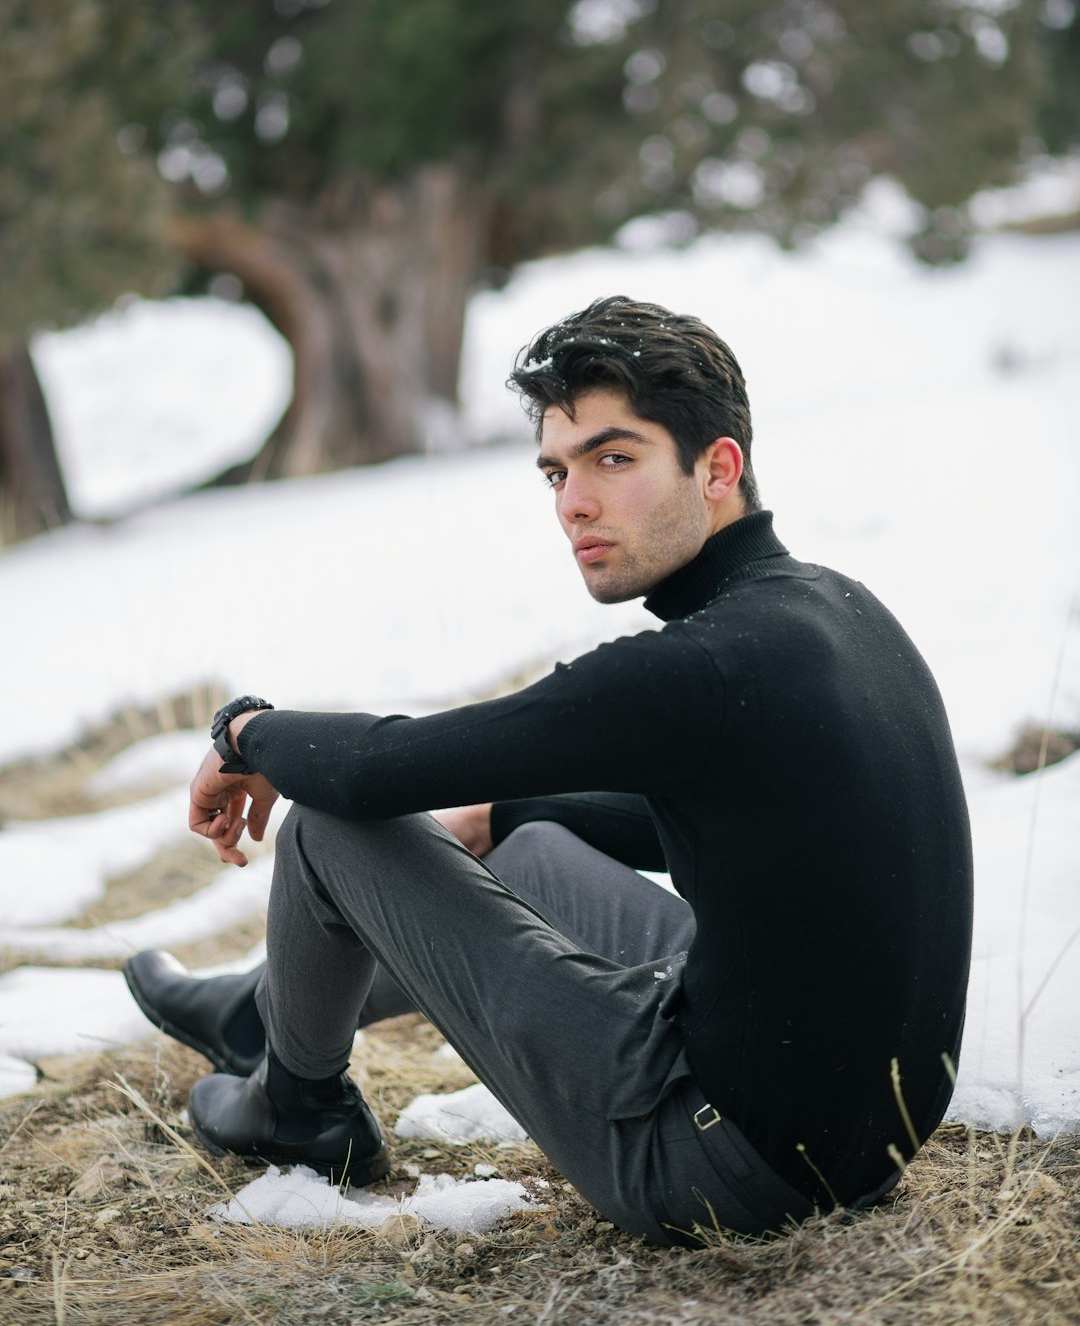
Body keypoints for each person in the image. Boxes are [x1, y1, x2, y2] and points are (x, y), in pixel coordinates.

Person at [124, 295, 973, 1246]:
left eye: (615, 459)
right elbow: (743, 831)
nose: (574, 502)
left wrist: (245, 730)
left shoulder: (697, 667)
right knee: (523, 845)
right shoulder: (838, 612)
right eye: (556, 471)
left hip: (714, 1165)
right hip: (865, 1133)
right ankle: (258, 1011)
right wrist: (506, 809)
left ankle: (299, 1107)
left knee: (331, 831)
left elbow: (370, 774)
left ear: (718, 466)